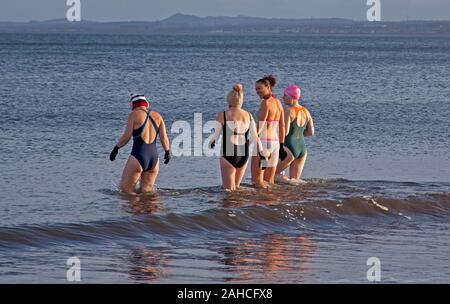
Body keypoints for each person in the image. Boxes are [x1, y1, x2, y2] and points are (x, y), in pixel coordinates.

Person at [209, 84, 267, 191]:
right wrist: (263, 156)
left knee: (228, 192)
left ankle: (227, 208)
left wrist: (212, 143)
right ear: (241, 101)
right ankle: (240, 207)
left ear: (229, 101)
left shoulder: (223, 115)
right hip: (243, 155)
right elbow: (255, 137)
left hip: (228, 154)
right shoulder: (249, 115)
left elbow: (215, 136)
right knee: (236, 189)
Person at [109, 94, 171, 194]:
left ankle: (133, 209)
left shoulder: (133, 115)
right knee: (148, 194)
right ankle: (151, 210)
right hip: (154, 159)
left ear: (132, 105)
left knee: (126, 192)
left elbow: (126, 137)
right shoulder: (158, 116)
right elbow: (164, 138)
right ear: (146, 104)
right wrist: (167, 152)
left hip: (138, 157)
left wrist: (116, 149)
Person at [251, 75, 286, 188]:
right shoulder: (278, 103)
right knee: (269, 180)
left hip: (263, 144)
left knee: (257, 180)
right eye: (256, 89)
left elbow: (261, 125)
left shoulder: (265, 103)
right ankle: (271, 204)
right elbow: (282, 126)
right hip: (275, 144)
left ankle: (258, 205)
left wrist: (249, 138)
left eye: (260, 88)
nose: (257, 91)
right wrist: (281, 145)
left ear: (268, 87)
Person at [275, 84, 315, 181]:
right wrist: (299, 134)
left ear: (292, 97)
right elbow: (311, 132)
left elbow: (285, 132)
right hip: (302, 149)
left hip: (289, 147)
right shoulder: (306, 111)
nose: (283, 97)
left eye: (285, 95)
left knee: (270, 176)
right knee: (295, 181)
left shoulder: (288, 110)